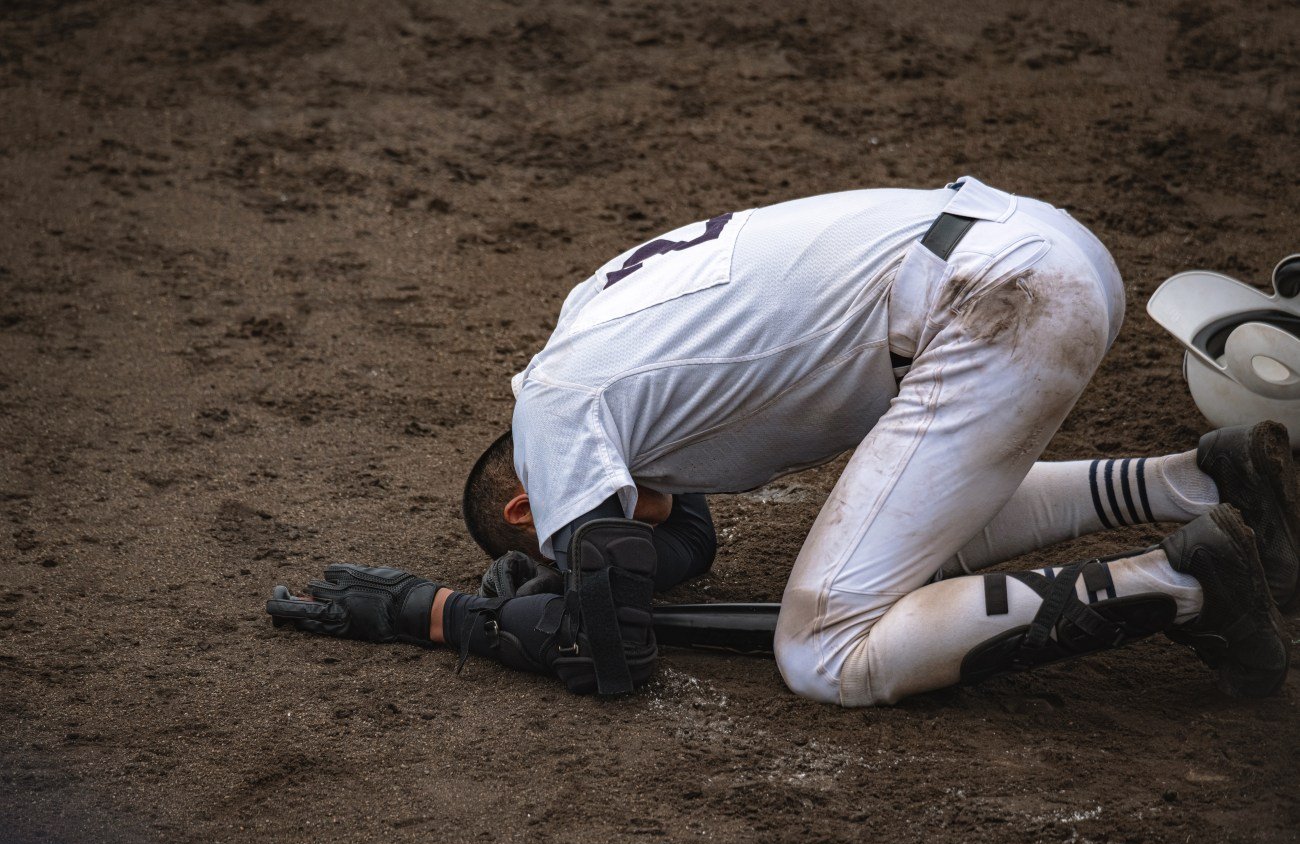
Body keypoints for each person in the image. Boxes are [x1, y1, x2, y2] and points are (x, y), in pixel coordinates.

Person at [267, 178, 1294, 706]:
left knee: (823, 652)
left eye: (551, 550)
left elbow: (609, 652)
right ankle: (1202, 485)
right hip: (1035, 253)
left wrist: (431, 612)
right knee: (890, 556)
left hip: (991, 303)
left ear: (528, 509)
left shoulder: (551, 416)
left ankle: (1182, 584)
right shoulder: (593, 311)